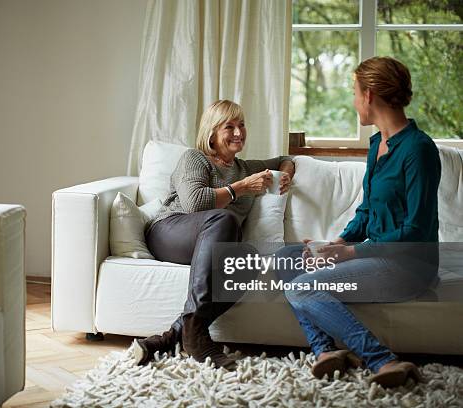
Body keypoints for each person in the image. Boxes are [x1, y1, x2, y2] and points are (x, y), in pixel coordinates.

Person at [274, 57, 440, 388]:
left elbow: (415, 233)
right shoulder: (377, 143)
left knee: (304, 286)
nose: (353, 101)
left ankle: (383, 360)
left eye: (354, 92)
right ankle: (325, 352)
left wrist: (351, 254)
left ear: (369, 95)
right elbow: (367, 210)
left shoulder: (419, 150)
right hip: (373, 256)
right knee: (285, 258)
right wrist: (339, 242)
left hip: (409, 266)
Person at [132, 99, 295, 369]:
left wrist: (285, 174)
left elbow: (285, 159)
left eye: (241, 125)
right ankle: (196, 338)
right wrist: (240, 188)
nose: (238, 132)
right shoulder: (195, 159)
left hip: (213, 248)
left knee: (250, 260)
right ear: (211, 133)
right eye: (229, 127)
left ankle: (173, 337)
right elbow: (195, 203)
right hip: (169, 232)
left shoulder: (245, 166)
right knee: (224, 217)